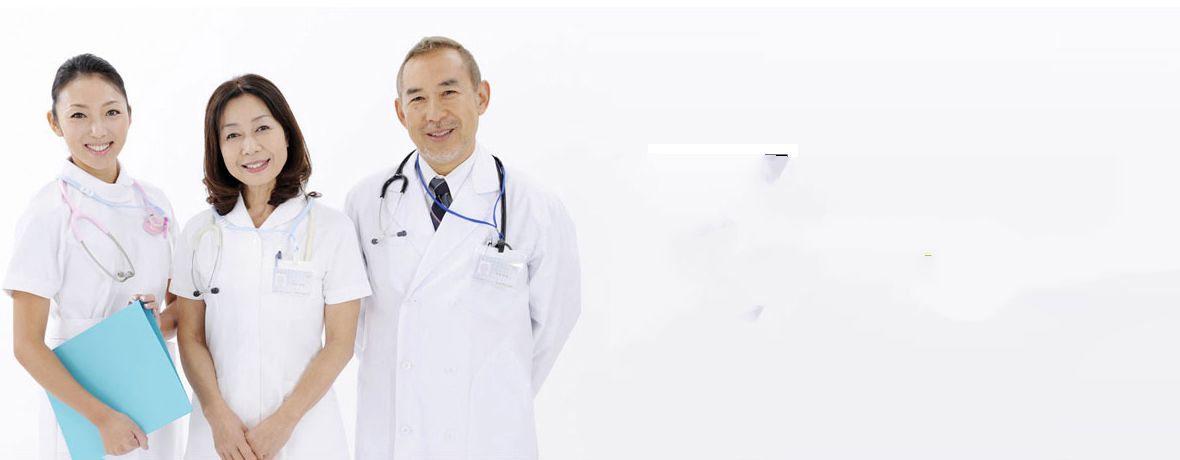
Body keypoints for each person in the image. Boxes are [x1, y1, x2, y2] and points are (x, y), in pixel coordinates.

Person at [345, 36, 581, 460]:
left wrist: (496, 386)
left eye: (448, 92)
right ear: (400, 112)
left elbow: (555, 320)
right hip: (395, 430)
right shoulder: (366, 202)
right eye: (417, 98)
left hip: (488, 436)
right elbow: (355, 326)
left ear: (481, 96)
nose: (434, 114)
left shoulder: (533, 206)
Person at [172, 74, 371, 460]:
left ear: (287, 135)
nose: (250, 146)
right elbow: (191, 336)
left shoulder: (331, 229)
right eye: (232, 135)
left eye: (262, 128)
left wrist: (284, 422)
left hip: (305, 433)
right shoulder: (198, 233)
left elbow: (340, 343)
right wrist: (217, 416)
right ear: (217, 148)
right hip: (220, 436)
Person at [5, 53, 183, 459]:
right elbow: (26, 345)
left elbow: (181, 310)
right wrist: (102, 418)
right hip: (84, 403)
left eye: (111, 112)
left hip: (152, 387)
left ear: (130, 115)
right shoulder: (47, 211)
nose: (98, 130)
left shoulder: (155, 201)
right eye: (79, 115)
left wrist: (153, 323)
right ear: (54, 123)